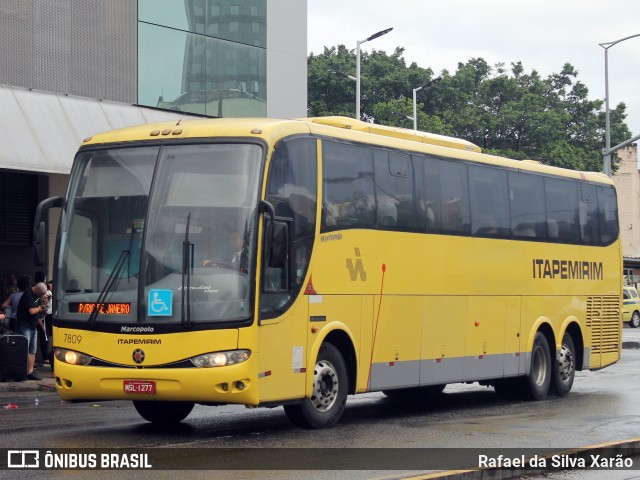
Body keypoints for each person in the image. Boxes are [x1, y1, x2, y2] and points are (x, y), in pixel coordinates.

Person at [16, 282, 48, 381]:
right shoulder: (28, 295)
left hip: (33, 326)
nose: (42, 296)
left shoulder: (37, 296)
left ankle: (30, 372)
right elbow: (32, 311)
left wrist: (42, 325)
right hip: (24, 326)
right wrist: (40, 307)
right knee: (24, 349)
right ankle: (22, 372)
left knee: (32, 351)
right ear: (38, 291)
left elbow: (35, 315)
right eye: (41, 294)